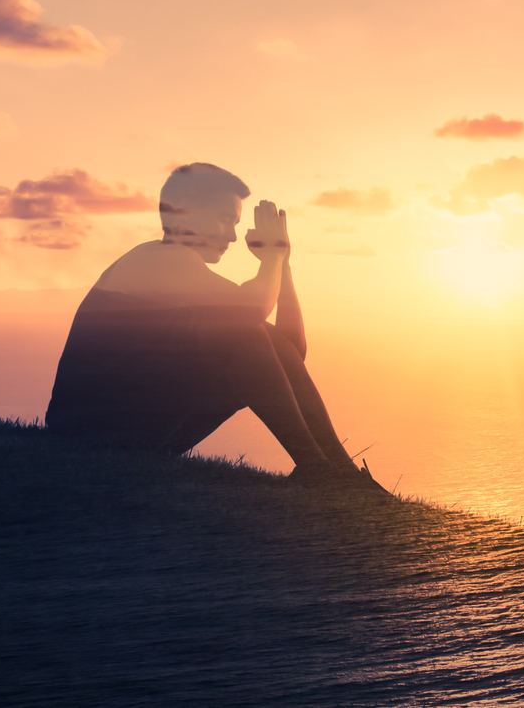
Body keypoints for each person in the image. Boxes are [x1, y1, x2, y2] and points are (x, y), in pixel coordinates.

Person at [45, 162, 383, 493]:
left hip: (122, 431)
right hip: (87, 434)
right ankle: (320, 471)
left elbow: (291, 348)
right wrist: (272, 260)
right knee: (243, 332)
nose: (233, 236)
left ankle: (337, 471)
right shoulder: (159, 257)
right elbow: (252, 316)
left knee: (250, 334)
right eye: (225, 220)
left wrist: (284, 263)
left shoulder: (182, 273)